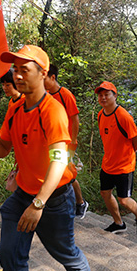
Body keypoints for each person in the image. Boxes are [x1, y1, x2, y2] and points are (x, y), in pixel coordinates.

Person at [0, 45, 96, 271]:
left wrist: (38, 204)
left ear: (42, 74)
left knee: (66, 255)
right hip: (23, 194)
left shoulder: (53, 111)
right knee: (10, 254)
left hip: (53, 200)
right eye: (15, 70)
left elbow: (59, 162)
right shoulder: (15, 109)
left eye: (24, 70)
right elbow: (3, 148)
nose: (17, 75)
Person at [95, 81, 137, 236]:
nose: (103, 98)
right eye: (100, 95)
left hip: (124, 166)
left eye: (106, 94)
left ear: (115, 95)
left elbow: (136, 138)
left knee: (123, 200)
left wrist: (133, 150)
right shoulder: (100, 114)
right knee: (105, 193)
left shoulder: (123, 116)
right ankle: (119, 223)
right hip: (108, 164)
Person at [45, 64, 88, 218]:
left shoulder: (65, 95)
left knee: (69, 175)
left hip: (66, 143)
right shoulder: (46, 95)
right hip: (52, 143)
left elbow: (75, 119)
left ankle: (80, 203)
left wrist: (73, 141)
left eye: (44, 78)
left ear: (52, 77)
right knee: (55, 174)